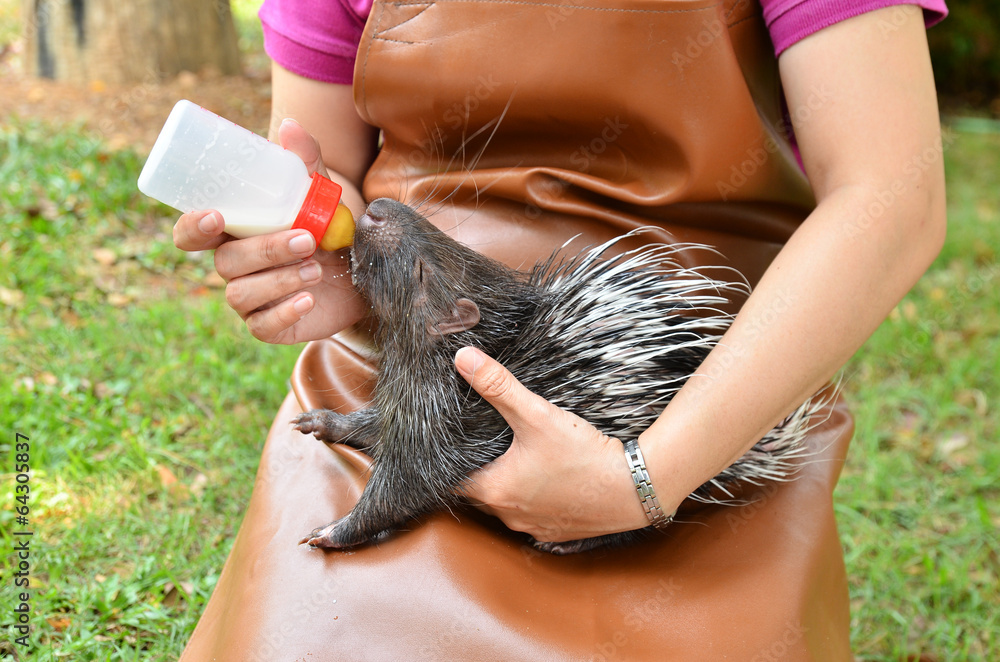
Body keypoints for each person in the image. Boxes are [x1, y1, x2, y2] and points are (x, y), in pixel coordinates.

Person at [174, 0, 948, 658]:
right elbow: (331, 166)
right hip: (406, 362)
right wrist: (320, 265)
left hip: (710, 404)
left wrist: (647, 474)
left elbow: (890, 196)